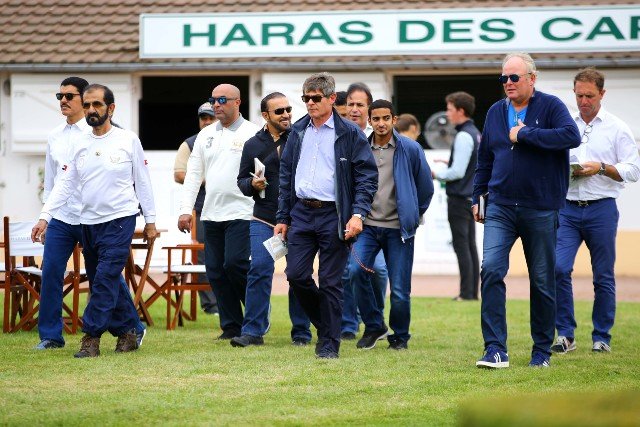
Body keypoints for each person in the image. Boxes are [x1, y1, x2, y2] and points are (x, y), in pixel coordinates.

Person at [32, 84, 157, 358]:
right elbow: (65, 184)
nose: (91, 110)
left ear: (111, 108)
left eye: (97, 104)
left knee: (104, 279)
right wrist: (45, 216)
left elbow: (143, 182)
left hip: (120, 219)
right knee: (103, 278)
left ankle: (91, 337)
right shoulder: (80, 143)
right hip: (88, 222)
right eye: (87, 105)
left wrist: (150, 221)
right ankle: (129, 331)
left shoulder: (128, 140)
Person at [473, 53, 581, 369]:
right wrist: (477, 195)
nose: (508, 83)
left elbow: (571, 136)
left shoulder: (551, 106)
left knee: (543, 280)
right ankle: (495, 349)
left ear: (532, 79)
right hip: (500, 206)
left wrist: (525, 134)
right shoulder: (495, 111)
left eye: (514, 77)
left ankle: (541, 352)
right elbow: (485, 158)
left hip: (541, 207)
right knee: (491, 270)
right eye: (503, 78)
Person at [274, 72, 378, 359]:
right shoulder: (298, 130)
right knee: (296, 275)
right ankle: (327, 325)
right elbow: (286, 176)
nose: (310, 103)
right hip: (301, 212)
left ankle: (329, 343)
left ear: (332, 99)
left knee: (331, 281)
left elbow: (367, 177)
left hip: (334, 213)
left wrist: (358, 215)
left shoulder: (350, 133)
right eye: (306, 98)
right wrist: (282, 217)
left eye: (316, 98)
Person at [551, 68, 640, 354]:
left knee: (603, 275)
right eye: (579, 96)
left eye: (589, 96)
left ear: (602, 93)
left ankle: (601, 337)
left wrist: (601, 168)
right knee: (558, 268)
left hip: (601, 208)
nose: (584, 101)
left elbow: (633, 169)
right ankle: (565, 335)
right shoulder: (565, 125)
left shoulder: (617, 127)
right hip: (566, 208)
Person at [350, 99, 433, 350]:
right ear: (369, 121)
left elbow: (425, 188)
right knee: (355, 271)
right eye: (376, 119)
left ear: (394, 120)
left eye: (386, 118)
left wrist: (411, 215)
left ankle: (400, 336)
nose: (381, 123)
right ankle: (374, 325)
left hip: (399, 230)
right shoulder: (360, 147)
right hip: (367, 226)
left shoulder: (411, 148)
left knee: (399, 289)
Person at [178, 84, 259, 340]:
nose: (216, 105)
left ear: (238, 102)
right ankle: (231, 326)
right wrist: (185, 210)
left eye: (222, 100)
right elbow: (193, 174)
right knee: (214, 270)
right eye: (213, 100)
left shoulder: (253, 133)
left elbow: (263, 172)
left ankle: (256, 315)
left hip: (242, 211)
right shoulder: (205, 135)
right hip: (211, 213)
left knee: (234, 264)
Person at [232, 92, 311, 347]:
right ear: (265, 115)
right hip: (264, 219)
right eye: (279, 111)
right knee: (259, 269)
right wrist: (252, 184)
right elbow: (241, 181)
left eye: (288, 109)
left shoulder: (302, 137)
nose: (286, 114)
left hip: (297, 218)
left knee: (298, 275)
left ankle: (301, 332)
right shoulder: (252, 144)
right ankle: (253, 332)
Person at [341, 82, 389, 341]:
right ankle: (348, 324)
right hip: (342, 216)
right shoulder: (338, 138)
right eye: (350, 104)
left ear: (369, 109)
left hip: (375, 220)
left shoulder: (377, 140)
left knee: (378, 270)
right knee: (346, 271)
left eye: (360, 105)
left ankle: (375, 319)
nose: (354, 109)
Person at [432, 92, 480, 301]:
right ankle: (471, 293)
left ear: (461, 111)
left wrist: (435, 174)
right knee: (470, 246)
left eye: (450, 109)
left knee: (463, 247)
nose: (447, 113)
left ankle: (466, 294)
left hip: (459, 200)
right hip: (470, 198)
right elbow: (469, 166)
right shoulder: (475, 133)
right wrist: (449, 164)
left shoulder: (463, 135)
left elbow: (457, 172)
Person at [173, 102, 218, 315]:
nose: (207, 121)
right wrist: (207, 179)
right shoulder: (190, 144)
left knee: (227, 256)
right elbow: (178, 174)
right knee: (202, 256)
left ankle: (227, 302)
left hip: (228, 207)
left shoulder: (229, 140)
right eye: (203, 118)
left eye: (211, 117)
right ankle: (210, 305)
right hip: (200, 208)